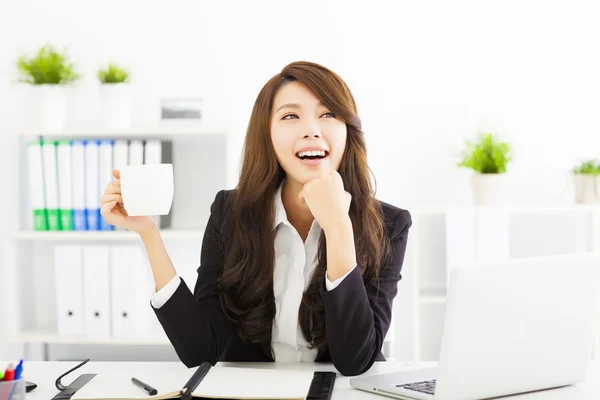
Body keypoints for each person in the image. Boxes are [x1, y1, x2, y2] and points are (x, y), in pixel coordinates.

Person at [100, 61, 412, 376]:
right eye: (291, 116)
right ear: (268, 133)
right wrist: (148, 233)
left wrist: (338, 228)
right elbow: (199, 350)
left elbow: (355, 361)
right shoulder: (230, 212)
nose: (311, 129)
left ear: (348, 129)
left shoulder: (389, 224)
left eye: (328, 114)